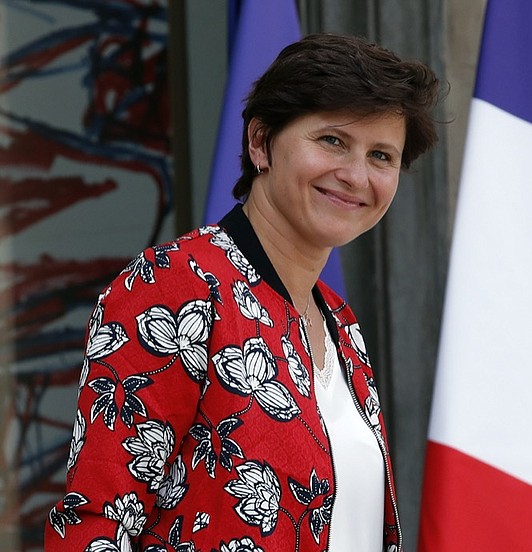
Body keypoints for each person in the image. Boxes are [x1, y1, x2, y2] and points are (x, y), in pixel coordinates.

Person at [44, 32, 439, 552]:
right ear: (260, 143)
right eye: (333, 141)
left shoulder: (340, 322)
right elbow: (96, 525)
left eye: (382, 156)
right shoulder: (178, 284)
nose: (355, 175)